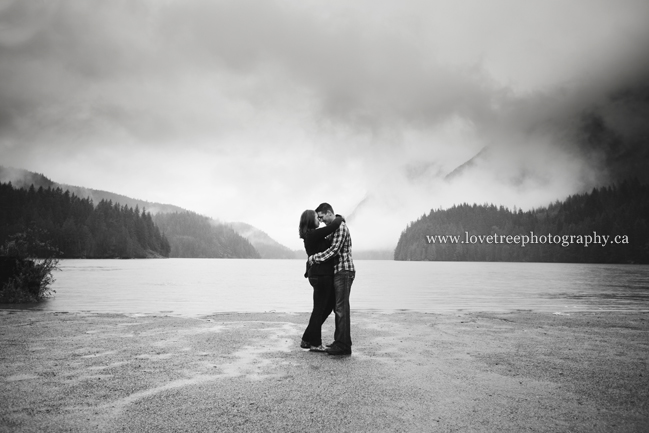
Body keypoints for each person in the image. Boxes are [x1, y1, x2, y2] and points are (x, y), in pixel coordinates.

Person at [308, 203, 355, 356]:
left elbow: (334, 251)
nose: (321, 221)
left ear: (329, 213)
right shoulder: (336, 227)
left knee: (341, 309)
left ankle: (343, 346)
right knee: (338, 308)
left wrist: (315, 258)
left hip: (344, 271)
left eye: (322, 217)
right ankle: (341, 342)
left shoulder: (340, 227)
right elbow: (325, 240)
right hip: (338, 272)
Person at [298, 209, 343, 352]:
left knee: (327, 307)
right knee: (319, 309)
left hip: (319, 275)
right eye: (316, 217)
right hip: (320, 276)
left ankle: (307, 338)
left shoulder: (312, 235)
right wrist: (339, 217)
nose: (319, 219)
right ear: (310, 220)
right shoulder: (312, 234)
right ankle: (315, 343)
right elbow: (332, 227)